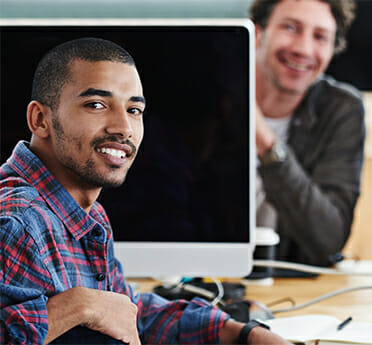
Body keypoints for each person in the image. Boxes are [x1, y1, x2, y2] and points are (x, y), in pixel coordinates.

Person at [0, 37, 288, 345]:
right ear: (40, 119)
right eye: (96, 105)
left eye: (134, 109)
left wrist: (238, 332)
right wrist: (79, 305)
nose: (123, 127)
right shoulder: (17, 222)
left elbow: (124, 312)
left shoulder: (83, 212)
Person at [249, 0, 365, 267]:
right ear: (257, 32)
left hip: (290, 286)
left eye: (320, 37)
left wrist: (267, 144)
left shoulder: (340, 109)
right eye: (290, 28)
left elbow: (327, 239)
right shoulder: (212, 94)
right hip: (203, 279)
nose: (303, 49)